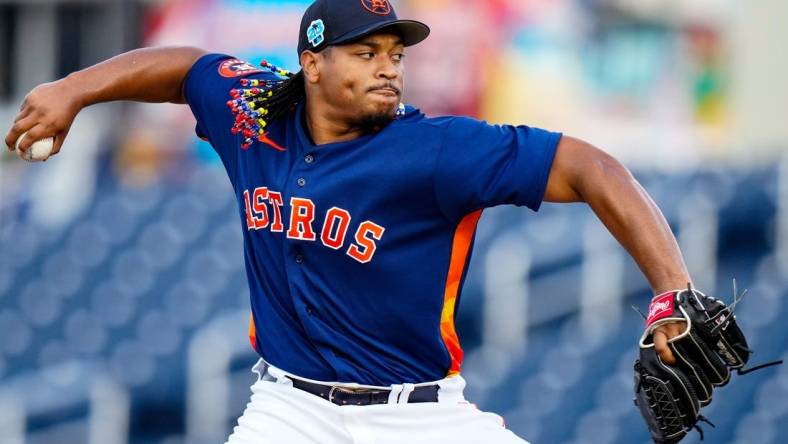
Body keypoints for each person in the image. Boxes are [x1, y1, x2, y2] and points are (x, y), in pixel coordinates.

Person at [5, 0, 692, 442]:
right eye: (366, 54)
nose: (389, 69)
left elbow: (594, 168)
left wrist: (671, 291)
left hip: (421, 416)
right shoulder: (253, 113)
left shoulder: (436, 151)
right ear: (311, 63)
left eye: (395, 54)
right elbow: (187, 69)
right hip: (289, 412)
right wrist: (72, 90)